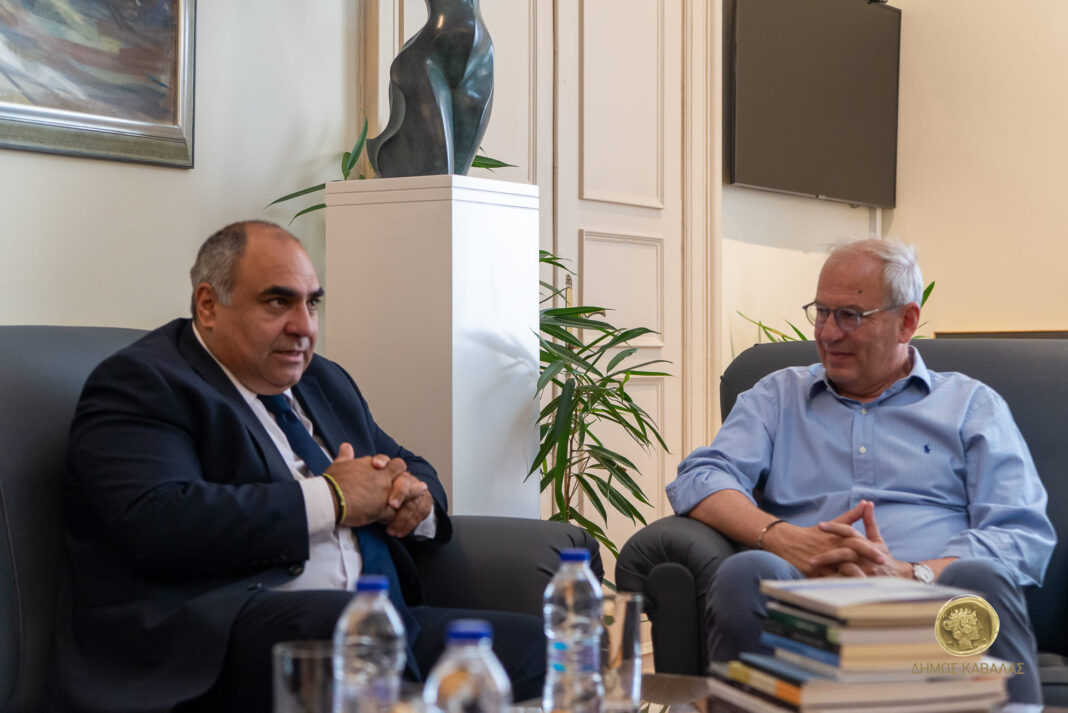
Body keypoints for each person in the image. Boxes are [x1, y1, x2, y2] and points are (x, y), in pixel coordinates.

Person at [51, 221, 545, 713]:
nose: (304, 327)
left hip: (380, 625)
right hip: (214, 643)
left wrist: (411, 497)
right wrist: (335, 498)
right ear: (208, 305)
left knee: (541, 650)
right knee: (349, 632)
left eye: (312, 304)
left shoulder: (322, 380)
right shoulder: (145, 382)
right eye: (277, 302)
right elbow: (159, 521)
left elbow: (405, 463)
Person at [667, 239, 1055, 703]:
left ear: (906, 321)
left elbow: (1021, 534)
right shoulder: (777, 397)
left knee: (981, 579)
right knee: (745, 572)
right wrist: (783, 538)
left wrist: (911, 574)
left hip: (932, 612)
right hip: (805, 608)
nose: (829, 333)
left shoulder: (971, 405)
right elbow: (701, 476)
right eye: (822, 312)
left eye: (850, 316)